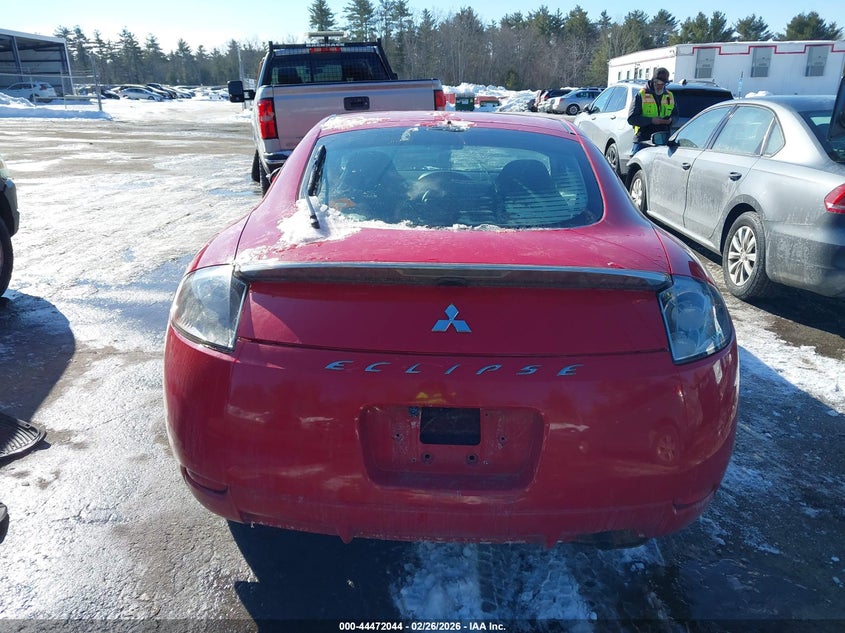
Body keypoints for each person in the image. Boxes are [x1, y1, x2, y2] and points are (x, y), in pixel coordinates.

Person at [627, 67, 677, 154]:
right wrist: (651, 120)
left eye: (663, 84)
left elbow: (676, 115)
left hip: (663, 140)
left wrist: (670, 120)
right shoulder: (641, 94)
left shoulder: (670, 96)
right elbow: (631, 118)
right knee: (635, 166)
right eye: (658, 83)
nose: (660, 86)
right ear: (653, 80)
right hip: (643, 139)